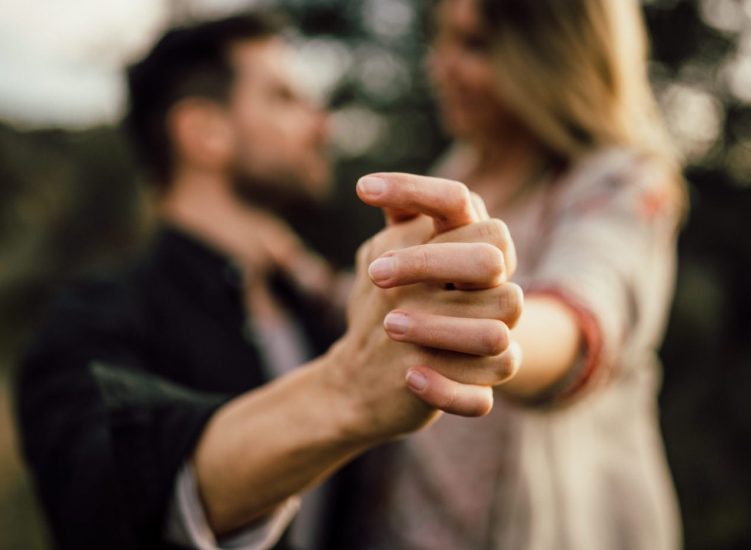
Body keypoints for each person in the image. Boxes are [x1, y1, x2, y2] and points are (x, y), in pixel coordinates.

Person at [14, 13, 522, 550]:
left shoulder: (317, 311)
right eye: (284, 98)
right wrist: (346, 390)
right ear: (205, 133)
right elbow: (100, 491)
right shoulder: (93, 318)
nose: (322, 125)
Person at [330, 1, 686, 549]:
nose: (440, 66)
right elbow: (391, 310)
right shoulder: (457, 172)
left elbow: (586, 311)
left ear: (550, 52)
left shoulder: (620, 181)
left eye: (474, 44)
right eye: (442, 40)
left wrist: (493, 334)